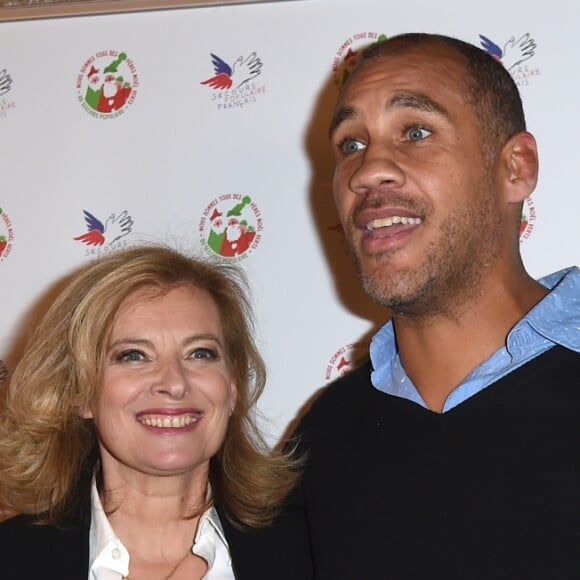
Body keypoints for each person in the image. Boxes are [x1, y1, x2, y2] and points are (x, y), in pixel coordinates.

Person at [222, 33, 580, 579]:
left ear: (516, 167)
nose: (366, 172)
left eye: (415, 132)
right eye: (350, 144)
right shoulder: (324, 439)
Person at [0, 245, 299, 579]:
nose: (174, 383)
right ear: (81, 393)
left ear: (232, 387)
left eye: (200, 353)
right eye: (133, 355)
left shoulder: (309, 550)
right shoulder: (11, 558)